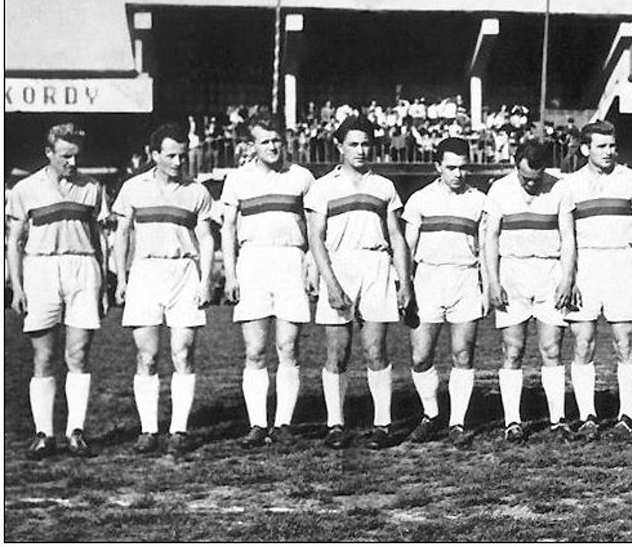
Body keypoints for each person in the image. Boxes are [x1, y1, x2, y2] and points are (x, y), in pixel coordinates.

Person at [305, 119, 413, 451]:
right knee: (337, 353)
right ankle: (335, 424)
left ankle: (382, 424)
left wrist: (404, 282)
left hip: (376, 265)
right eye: (353, 144)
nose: (361, 150)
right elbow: (315, 238)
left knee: (375, 350)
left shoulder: (383, 186)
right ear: (339, 147)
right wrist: (330, 283)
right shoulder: (323, 187)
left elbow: (396, 236)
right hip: (339, 265)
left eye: (365, 144)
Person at [7, 123, 109, 459]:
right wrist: (17, 286)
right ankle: (44, 434)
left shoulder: (92, 187)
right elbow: (14, 242)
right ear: (48, 153)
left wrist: (104, 284)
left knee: (78, 355)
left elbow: (100, 239)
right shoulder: (25, 189)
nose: (72, 163)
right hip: (41, 268)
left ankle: (76, 432)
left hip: (83, 267)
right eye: (65, 156)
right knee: (44, 356)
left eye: (76, 156)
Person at [113, 123, 215, 457]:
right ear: (154, 154)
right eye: (170, 155)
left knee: (182, 353)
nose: (177, 162)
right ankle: (148, 430)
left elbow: (206, 238)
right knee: (147, 355)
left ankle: (179, 430)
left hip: (183, 272)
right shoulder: (133, 188)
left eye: (182, 156)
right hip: (145, 272)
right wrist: (122, 279)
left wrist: (205, 281)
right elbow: (122, 235)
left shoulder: (197, 191)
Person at [220, 115, 315, 448]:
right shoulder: (238, 179)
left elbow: (314, 228)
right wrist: (230, 274)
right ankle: (258, 424)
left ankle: (283, 423)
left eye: (277, 140)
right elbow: (228, 229)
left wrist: (312, 267)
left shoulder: (301, 177)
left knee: (288, 347)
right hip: (253, 262)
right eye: (265, 141)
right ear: (252, 145)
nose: (272, 147)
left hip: (291, 260)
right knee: (255, 350)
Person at [562, 121, 632, 440]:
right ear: (585, 149)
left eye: (612, 145)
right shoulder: (569, 184)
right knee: (583, 341)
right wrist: (570, 276)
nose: (608, 151)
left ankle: (627, 416)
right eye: (601, 146)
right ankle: (587, 416)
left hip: (622, 263)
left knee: (624, 339)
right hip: (586, 265)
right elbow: (567, 237)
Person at [483, 139, 576, 443]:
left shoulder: (560, 188)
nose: (532, 184)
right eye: (526, 178)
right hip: (513, 273)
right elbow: (490, 238)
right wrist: (493, 281)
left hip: (549, 272)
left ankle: (558, 420)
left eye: (537, 179)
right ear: (516, 166)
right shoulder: (499, 190)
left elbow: (568, 237)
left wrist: (567, 278)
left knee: (552, 349)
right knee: (512, 350)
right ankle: (513, 421)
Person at [402, 137, 488, 447]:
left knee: (462, 354)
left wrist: (487, 288)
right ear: (437, 166)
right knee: (421, 356)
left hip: (465, 278)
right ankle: (431, 414)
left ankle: (457, 422)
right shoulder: (420, 199)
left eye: (463, 167)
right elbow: (407, 248)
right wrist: (405, 285)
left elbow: (486, 248)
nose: (458, 174)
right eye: (451, 167)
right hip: (428, 279)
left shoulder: (479, 200)